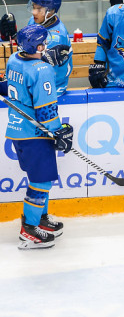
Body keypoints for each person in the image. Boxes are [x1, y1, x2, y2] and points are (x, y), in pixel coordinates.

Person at [3, 24, 74, 249]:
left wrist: (44, 58)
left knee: (39, 179)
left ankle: (40, 219)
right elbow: (45, 110)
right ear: (40, 45)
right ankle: (29, 230)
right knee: (41, 181)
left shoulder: (14, 58)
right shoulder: (43, 70)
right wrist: (59, 131)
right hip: (36, 134)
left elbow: (13, 84)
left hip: (17, 131)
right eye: (45, 42)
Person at [0, 0, 72, 95]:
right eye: (33, 7)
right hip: (35, 80)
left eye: (39, 9)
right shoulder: (35, 21)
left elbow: (36, 66)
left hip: (50, 89)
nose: (34, 12)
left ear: (51, 11)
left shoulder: (56, 37)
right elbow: (27, 48)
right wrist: (14, 36)